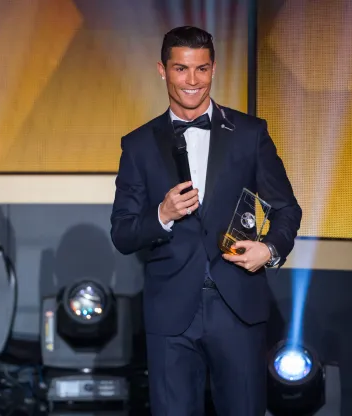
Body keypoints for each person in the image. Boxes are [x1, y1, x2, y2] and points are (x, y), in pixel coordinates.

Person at [110, 26, 302, 415]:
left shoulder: (250, 133)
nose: (192, 81)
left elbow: (287, 209)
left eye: (201, 69)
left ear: (213, 69)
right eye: (181, 69)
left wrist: (269, 249)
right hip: (171, 313)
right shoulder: (138, 144)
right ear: (162, 70)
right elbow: (122, 233)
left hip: (239, 308)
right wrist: (161, 214)